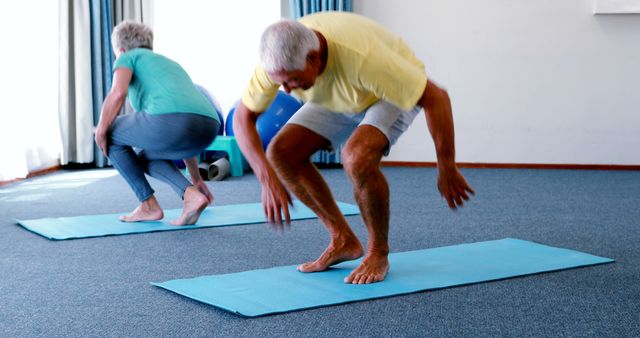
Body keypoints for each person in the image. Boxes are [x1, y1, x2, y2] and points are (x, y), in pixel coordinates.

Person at [233, 12, 474, 284]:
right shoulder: (279, 62)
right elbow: (242, 118)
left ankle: (378, 252)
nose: (286, 91)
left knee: (356, 157)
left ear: (313, 59)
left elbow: (437, 98)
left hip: (385, 93)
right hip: (339, 94)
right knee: (281, 154)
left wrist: (447, 166)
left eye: (290, 80)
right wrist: (266, 178)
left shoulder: (365, 59)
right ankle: (343, 239)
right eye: (280, 82)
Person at [95, 21, 220, 226]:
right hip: (208, 125)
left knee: (110, 133)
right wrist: (196, 179)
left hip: (172, 120)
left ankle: (148, 205)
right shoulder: (170, 64)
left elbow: (117, 93)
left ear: (121, 49)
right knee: (147, 157)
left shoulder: (127, 57)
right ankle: (191, 195)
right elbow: (182, 130)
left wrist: (101, 129)